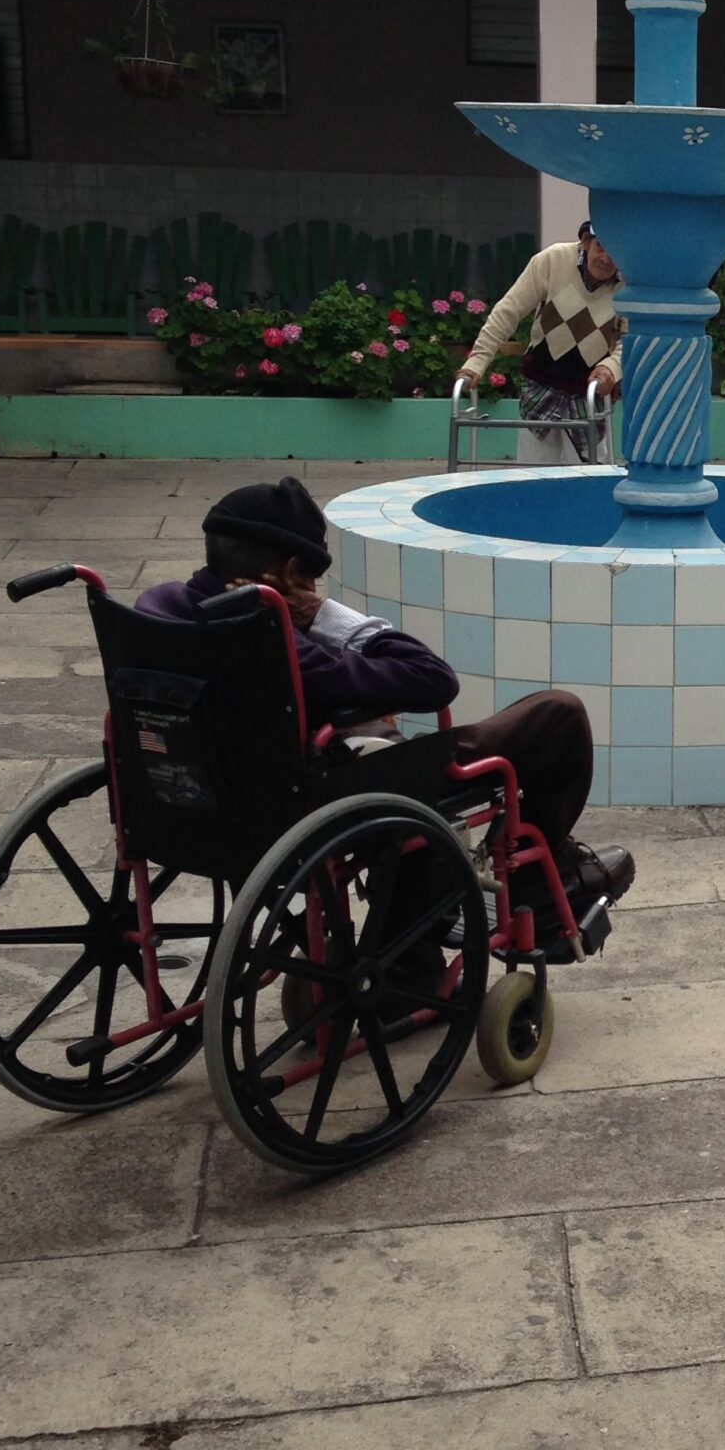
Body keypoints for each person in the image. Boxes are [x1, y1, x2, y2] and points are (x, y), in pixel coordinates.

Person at [136, 478, 632, 955]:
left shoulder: (156, 610)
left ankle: (436, 924)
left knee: (382, 741)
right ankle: (536, 881)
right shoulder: (268, 639)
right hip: (314, 796)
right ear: (289, 572)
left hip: (206, 799)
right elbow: (432, 678)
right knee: (559, 716)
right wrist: (324, 615)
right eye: (310, 579)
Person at [460, 221, 624, 466]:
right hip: (541, 381)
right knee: (533, 470)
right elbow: (509, 311)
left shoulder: (630, 281)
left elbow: (631, 338)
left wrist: (611, 368)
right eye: (600, 246)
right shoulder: (553, 260)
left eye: (616, 252)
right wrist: (477, 361)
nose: (606, 259)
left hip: (588, 388)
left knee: (589, 473)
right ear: (586, 242)